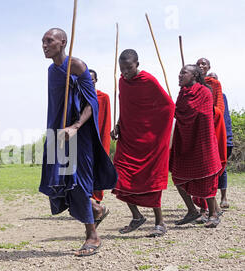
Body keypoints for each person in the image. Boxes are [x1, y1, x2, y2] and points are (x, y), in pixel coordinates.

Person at [39, 28, 117, 257]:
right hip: (56, 134)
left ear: (63, 42)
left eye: (49, 41)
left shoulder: (77, 66)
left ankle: (92, 236)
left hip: (77, 135)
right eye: (42, 42)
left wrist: (75, 127)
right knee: (60, 182)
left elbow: (92, 103)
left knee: (79, 182)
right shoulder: (51, 70)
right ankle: (96, 208)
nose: (44, 45)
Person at [111, 49, 175, 237]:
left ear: (137, 64)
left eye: (129, 68)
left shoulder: (148, 80)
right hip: (128, 138)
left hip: (150, 141)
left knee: (150, 179)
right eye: (121, 69)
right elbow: (125, 108)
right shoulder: (122, 82)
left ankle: (160, 222)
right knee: (119, 176)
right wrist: (118, 126)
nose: (125, 72)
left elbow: (168, 106)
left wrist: (159, 134)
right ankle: (137, 216)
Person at [171, 65, 222, 228]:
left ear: (194, 76)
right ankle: (192, 211)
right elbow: (179, 112)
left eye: (183, 73)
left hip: (202, 142)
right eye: (179, 73)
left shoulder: (204, 92)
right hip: (184, 142)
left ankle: (213, 214)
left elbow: (204, 115)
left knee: (206, 178)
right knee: (178, 178)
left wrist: (181, 113)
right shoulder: (182, 93)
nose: (179, 75)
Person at [191, 59, 227, 221]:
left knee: (210, 168)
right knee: (197, 170)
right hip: (195, 128)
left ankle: (213, 209)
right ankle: (205, 209)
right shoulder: (191, 83)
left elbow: (218, 107)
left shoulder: (213, 85)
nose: (201, 65)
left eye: (204, 64)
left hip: (211, 125)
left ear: (209, 67)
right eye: (198, 63)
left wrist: (208, 118)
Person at [207, 72, 234, 209]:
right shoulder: (200, 95)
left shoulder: (222, 98)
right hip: (207, 138)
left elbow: (225, 120)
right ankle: (209, 203)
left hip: (222, 137)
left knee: (221, 168)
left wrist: (227, 139)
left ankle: (223, 197)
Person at [88, 69, 112, 222]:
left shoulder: (103, 97)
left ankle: (97, 203)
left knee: (98, 171)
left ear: (96, 80)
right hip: (85, 140)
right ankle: (89, 203)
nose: (89, 81)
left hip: (99, 139)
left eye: (92, 79)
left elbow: (106, 121)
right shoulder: (79, 96)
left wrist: (104, 143)